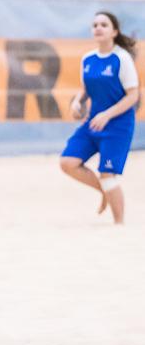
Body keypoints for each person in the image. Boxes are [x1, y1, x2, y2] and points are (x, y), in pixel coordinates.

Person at [60, 11, 139, 224]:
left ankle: (119, 225)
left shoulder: (121, 58)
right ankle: (104, 192)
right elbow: (85, 88)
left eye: (104, 24)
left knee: (107, 175)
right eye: (95, 25)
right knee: (67, 162)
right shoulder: (88, 58)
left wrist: (107, 114)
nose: (98, 28)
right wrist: (77, 101)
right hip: (94, 122)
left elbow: (133, 96)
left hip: (118, 125)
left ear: (114, 32)